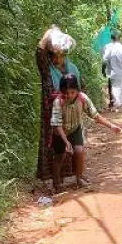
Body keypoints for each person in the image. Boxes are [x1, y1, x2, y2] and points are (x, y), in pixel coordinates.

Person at [50, 74, 122, 192]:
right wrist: (66, 141)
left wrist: (111, 126)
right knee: (59, 156)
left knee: (79, 151)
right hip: (60, 132)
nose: (69, 96)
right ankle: (56, 183)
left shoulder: (83, 98)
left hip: (76, 128)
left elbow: (95, 115)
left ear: (77, 91)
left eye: (72, 92)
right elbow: (57, 125)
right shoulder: (58, 102)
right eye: (66, 93)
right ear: (61, 91)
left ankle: (79, 178)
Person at [36, 27, 82, 181]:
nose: (55, 60)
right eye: (52, 56)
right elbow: (39, 53)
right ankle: (53, 181)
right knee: (55, 147)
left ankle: (71, 176)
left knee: (71, 145)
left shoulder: (72, 70)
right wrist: (50, 32)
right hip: (52, 115)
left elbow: (80, 91)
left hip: (70, 114)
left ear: (64, 54)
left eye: (58, 56)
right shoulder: (48, 72)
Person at [101, 30, 122, 110]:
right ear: (120, 38)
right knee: (121, 87)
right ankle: (120, 104)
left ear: (111, 38)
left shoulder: (108, 47)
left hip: (112, 72)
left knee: (112, 87)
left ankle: (113, 104)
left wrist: (103, 70)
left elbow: (104, 61)